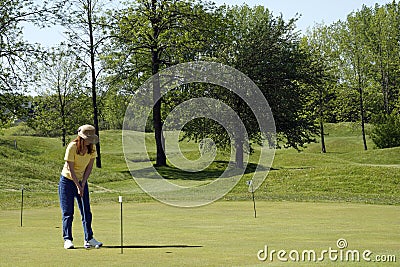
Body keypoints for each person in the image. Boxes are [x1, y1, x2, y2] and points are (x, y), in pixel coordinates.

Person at [58, 124, 103, 249]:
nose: (90, 142)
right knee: (68, 212)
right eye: (88, 139)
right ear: (82, 138)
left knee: (86, 211)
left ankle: (88, 238)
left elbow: (89, 167)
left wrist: (83, 183)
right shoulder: (72, 147)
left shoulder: (92, 148)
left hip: (82, 180)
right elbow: (70, 169)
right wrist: (78, 186)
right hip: (67, 181)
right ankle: (67, 239)